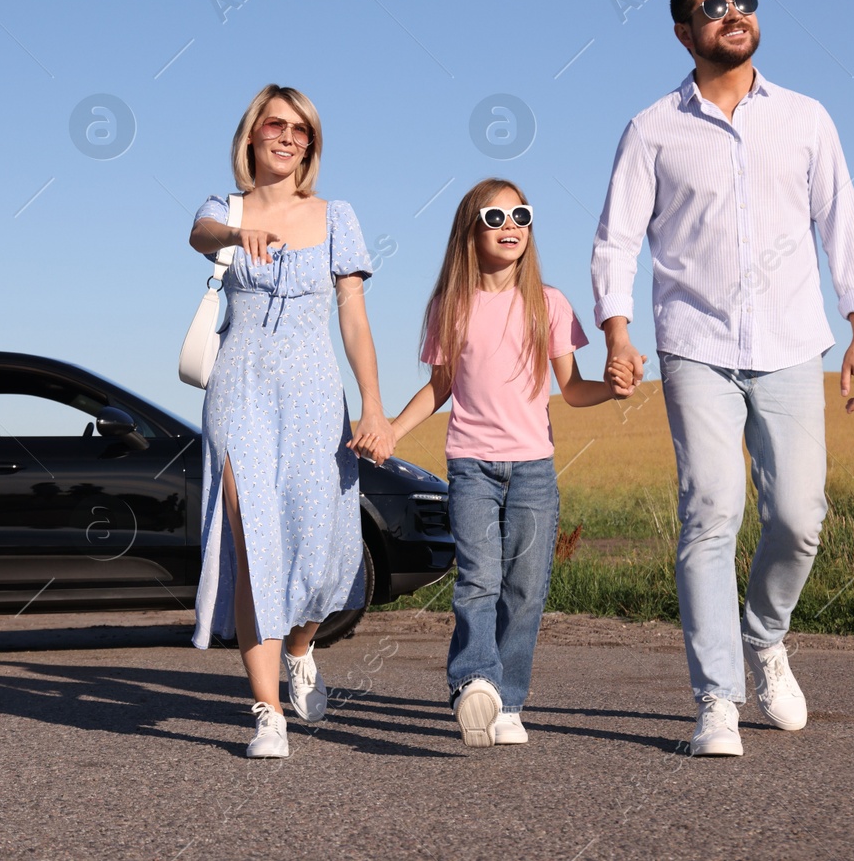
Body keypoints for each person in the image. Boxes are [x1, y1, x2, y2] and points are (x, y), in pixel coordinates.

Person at [591, 0, 854, 757]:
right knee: (710, 511)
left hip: (790, 342)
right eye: (711, 7)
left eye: (742, 1)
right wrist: (617, 331)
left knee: (799, 516)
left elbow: (841, 221)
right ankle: (715, 700)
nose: (732, 13)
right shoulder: (653, 127)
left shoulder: (806, 118)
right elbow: (617, 239)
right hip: (695, 344)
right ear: (684, 32)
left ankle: (766, 638)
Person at [388, 179, 639, 747]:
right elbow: (439, 387)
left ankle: (508, 703)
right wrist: (394, 429)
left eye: (520, 214)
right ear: (469, 231)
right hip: (471, 466)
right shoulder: (449, 306)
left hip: (532, 471)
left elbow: (571, 390)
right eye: (495, 216)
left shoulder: (548, 304)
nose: (510, 226)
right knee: (479, 579)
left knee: (525, 588)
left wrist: (615, 389)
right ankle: (475, 681)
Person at [187, 84, 394, 759]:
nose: (287, 136)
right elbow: (199, 232)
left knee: (323, 544)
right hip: (239, 385)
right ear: (252, 135)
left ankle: (302, 646)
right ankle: (266, 710)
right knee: (254, 545)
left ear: (311, 144)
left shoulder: (336, 214)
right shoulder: (226, 208)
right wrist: (235, 231)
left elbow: (353, 315)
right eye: (275, 124)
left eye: (300, 129)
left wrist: (372, 403)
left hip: (311, 389)